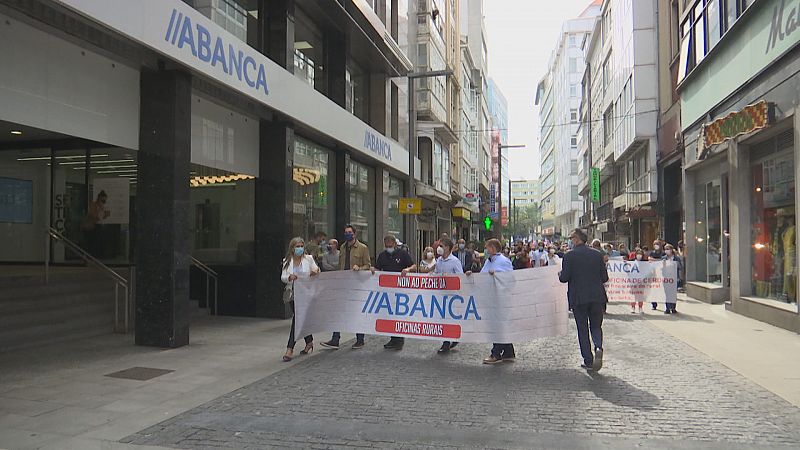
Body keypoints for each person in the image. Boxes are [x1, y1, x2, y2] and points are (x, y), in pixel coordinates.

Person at [559, 228, 608, 372]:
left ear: (576, 239)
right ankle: (598, 346)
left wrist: (560, 274)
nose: (570, 241)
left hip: (579, 297)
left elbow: (564, 278)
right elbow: (604, 278)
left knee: (582, 329)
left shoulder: (569, 256)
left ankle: (588, 360)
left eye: (571, 238)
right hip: (597, 296)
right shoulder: (597, 254)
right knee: (596, 326)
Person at [321, 225, 371, 350]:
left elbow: (368, 265)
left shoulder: (363, 248)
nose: (348, 234)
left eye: (350, 232)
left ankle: (360, 339)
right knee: (338, 311)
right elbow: (340, 265)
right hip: (343, 283)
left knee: (356, 311)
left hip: (356, 284)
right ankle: (335, 339)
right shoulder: (343, 247)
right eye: (346, 232)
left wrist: (359, 268)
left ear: (355, 234)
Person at [467, 238, 515, 364]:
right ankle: (509, 351)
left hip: (499, 299)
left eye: (487, 248)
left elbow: (510, 278)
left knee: (496, 326)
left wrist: (496, 274)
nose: (485, 250)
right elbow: (484, 275)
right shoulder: (490, 261)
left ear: (493, 248)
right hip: (490, 297)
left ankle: (496, 353)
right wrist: (472, 274)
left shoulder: (503, 261)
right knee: (499, 325)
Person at [370, 235, 416, 350]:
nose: (388, 247)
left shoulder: (403, 254)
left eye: (390, 245)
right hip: (387, 290)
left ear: (395, 244)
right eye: (386, 246)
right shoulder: (382, 256)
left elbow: (414, 266)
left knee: (398, 314)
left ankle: (399, 339)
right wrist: (373, 270)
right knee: (390, 315)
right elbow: (378, 268)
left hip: (400, 290)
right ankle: (393, 338)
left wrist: (408, 270)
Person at [281, 237, 319, 362]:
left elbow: (317, 270)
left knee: (297, 318)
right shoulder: (287, 261)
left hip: (306, 294)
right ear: (292, 248)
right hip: (293, 294)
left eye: (301, 246)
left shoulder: (308, 259)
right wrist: (289, 277)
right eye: (297, 246)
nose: (300, 248)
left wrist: (315, 271)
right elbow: (283, 277)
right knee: (300, 318)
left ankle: (290, 348)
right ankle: (309, 341)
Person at [431, 238, 464, 353]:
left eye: (442, 246)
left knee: (449, 319)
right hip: (441, 294)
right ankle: (447, 341)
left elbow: (461, 276)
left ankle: (448, 342)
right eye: (439, 245)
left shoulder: (455, 261)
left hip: (452, 295)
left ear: (448, 248)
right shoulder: (439, 260)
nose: (439, 248)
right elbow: (436, 274)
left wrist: (449, 277)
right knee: (442, 318)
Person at [83, 190, 110, 257]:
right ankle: (91, 255)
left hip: (100, 225)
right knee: (93, 241)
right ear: (99, 197)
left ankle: (97, 254)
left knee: (99, 241)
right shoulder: (94, 205)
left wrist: (105, 213)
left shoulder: (104, 206)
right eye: (102, 199)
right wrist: (100, 209)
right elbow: (93, 215)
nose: (104, 200)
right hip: (94, 225)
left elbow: (104, 216)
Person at [663, 244, 682, 314]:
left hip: (674, 278)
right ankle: (667, 308)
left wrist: (679, 277)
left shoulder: (676, 258)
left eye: (668, 249)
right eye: (665, 249)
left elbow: (680, 268)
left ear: (671, 250)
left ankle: (673, 308)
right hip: (666, 278)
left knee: (673, 293)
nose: (667, 251)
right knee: (667, 293)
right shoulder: (664, 258)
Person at [648, 240, 665, 311]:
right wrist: (658, 260)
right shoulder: (652, 253)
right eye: (655, 244)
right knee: (654, 289)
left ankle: (666, 306)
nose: (656, 245)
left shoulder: (663, 253)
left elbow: (663, 260)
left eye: (657, 244)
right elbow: (649, 259)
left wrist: (655, 260)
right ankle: (654, 304)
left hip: (663, 273)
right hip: (654, 274)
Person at [630, 248, 647, 314]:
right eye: (638, 254)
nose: (639, 255)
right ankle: (633, 307)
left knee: (640, 295)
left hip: (641, 281)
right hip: (633, 281)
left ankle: (640, 307)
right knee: (633, 294)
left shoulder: (645, 262)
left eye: (640, 254)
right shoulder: (631, 261)